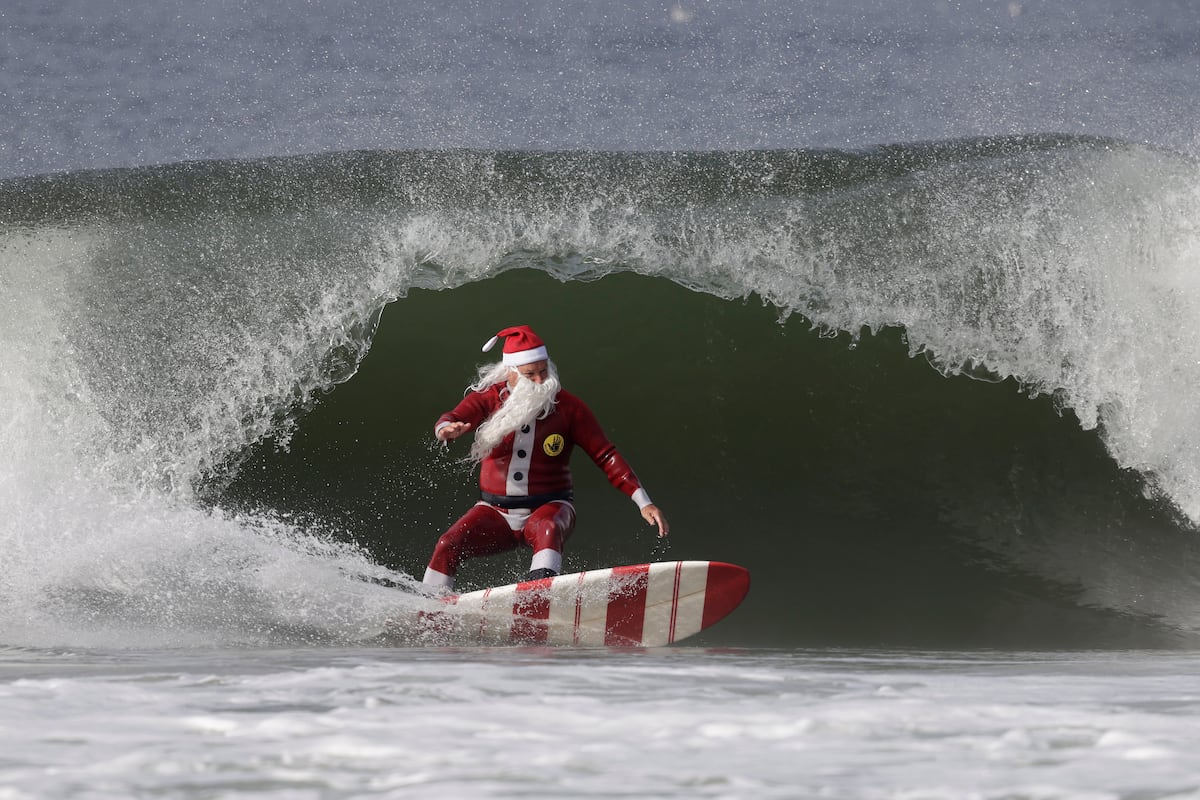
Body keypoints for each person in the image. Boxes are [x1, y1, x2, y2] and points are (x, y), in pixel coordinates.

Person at [422, 325, 669, 592]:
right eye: (530, 374)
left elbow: (606, 455)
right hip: (495, 512)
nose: (540, 380)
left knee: (548, 528)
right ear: (510, 372)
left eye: (544, 371)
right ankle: (430, 604)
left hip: (550, 507)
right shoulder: (489, 399)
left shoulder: (569, 408)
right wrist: (445, 429)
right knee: (448, 544)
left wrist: (643, 502)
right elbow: (452, 417)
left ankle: (539, 596)